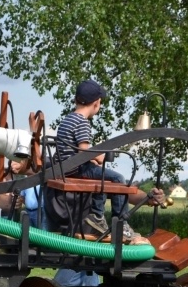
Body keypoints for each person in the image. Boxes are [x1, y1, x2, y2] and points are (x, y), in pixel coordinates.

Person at [55, 79, 137, 242]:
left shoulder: (68, 119)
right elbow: (84, 150)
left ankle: (98, 216)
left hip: (66, 168)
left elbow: (74, 150)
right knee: (118, 179)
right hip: (76, 169)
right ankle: (119, 223)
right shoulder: (82, 122)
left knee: (102, 175)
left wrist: (91, 159)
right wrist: (99, 156)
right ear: (96, 103)